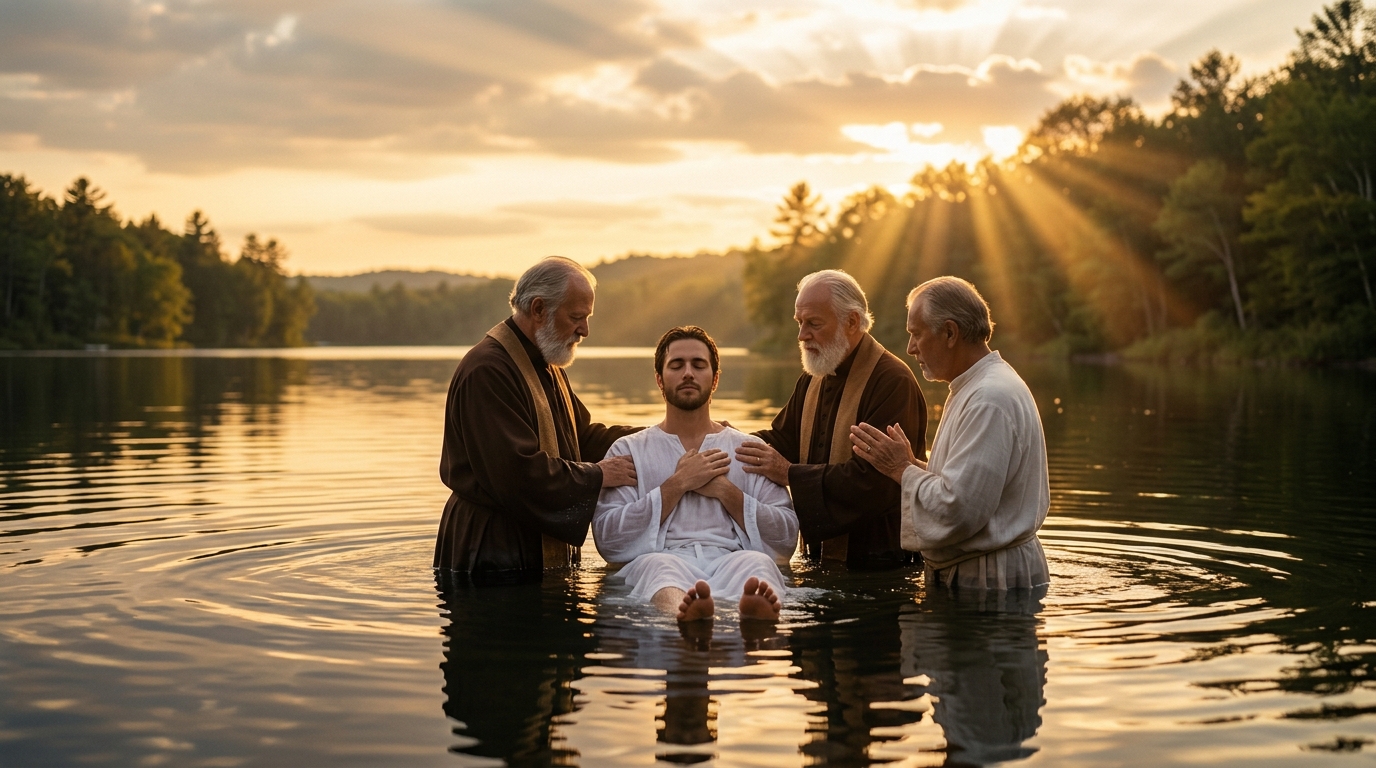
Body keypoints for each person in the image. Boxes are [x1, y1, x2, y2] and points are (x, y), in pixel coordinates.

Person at [434, 256, 640, 574]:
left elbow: (582, 438)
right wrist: (598, 476)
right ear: (539, 309)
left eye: (587, 317)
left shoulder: (546, 363)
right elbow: (517, 473)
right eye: (576, 317)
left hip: (521, 550)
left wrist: (669, 434)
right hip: (492, 556)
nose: (585, 330)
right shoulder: (488, 370)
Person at [850, 276, 1050, 590]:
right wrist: (912, 465)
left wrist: (901, 470)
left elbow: (960, 510)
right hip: (983, 575)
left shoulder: (988, 398)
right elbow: (965, 486)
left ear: (950, 333)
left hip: (990, 585)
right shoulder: (977, 386)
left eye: (916, 334)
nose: (910, 348)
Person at [593, 326, 796, 622]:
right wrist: (678, 484)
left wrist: (726, 491)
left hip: (732, 558)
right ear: (660, 380)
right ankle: (683, 613)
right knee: (658, 568)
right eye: (677, 365)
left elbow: (786, 538)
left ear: (715, 379)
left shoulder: (748, 449)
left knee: (757, 563)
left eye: (698, 365)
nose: (688, 373)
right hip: (663, 559)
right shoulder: (629, 451)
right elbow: (609, 539)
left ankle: (754, 614)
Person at [735, 270, 927, 569]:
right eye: (799, 323)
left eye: (813, 323)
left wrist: (789, 474)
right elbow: (783, 440)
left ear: (852, 322)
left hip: (882, 565)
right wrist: (726, 439)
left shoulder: (891, 381)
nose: (802, 335)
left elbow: (874, 481)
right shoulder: (815, 375)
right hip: (819, 561)